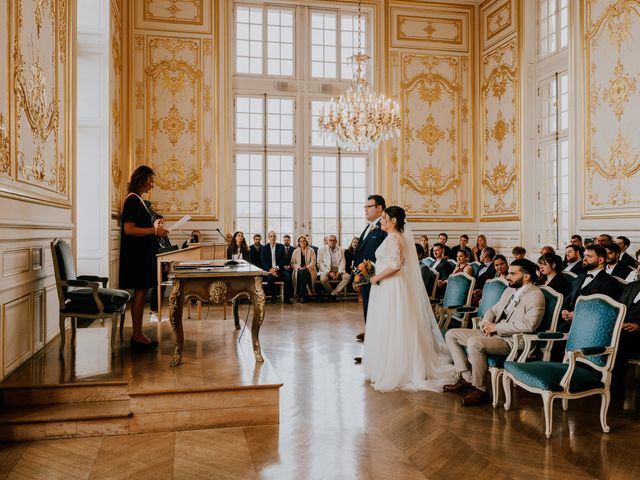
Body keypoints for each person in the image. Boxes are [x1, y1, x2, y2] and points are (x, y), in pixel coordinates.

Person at [363, 206, 455, 392]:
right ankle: (385, 363)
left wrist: (375, 277)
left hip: (391, 285)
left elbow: (396, 265)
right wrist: (372, 267)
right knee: (388, 323)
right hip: (387, 285)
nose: (381, 221)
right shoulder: (392, 238)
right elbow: (387, 262)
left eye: (384, 218)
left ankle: (398, 369)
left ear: (393, 220)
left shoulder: (395, 238)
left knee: (394, 323)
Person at [444, 259, 545, 406]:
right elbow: (493, 310)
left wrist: (496, 328)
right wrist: (486, 323)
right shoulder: (510, 290)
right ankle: (468, 379)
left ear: (526, 277)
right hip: (493, 333)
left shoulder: (535, 295)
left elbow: (529, 325)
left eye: (512, 274)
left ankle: (481, 390)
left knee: (474, 343)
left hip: (512, 341)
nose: (507, 276)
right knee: (451, 334)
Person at [119, 165, 167, 349]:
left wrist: (155, 225)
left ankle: (138, 334)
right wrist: (155, 231)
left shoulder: (138, 200)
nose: (153, 185)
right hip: (136, 257)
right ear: (143, 179)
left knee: (141, 293)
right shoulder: (132, 200)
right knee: (139, 294)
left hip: (140, 255)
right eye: (151, 181)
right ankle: (137, 336)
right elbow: (129, 229)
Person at [353, 195, 388, 352]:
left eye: (369, 206)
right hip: (365, 275)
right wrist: (357, 274)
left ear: (379, 208)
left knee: (375, 306)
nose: (365, 209)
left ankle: (377, 334)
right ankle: (370, 331)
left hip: (377, 276)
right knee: (367, 304)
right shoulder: (369, 227)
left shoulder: (384, 228)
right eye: (365, 206)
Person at [560, 244, 623, 329]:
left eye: (589, 256)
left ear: (600, 260)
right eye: (584, 256)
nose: (584, 259)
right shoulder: (579, 277)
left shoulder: (609, 282)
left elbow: (605, 308)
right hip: (571, 323)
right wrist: (565, 310)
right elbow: (570, 297)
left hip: (593, 326)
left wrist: (577, 315)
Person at [611, 281, 640, 395]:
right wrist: (617, 323)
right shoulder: (631, 286)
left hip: (637, 333)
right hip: (622, 327)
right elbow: (618, 307)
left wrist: (639, 327)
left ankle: (615, 387)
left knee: (621, 338)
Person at [260, 231, 293, 304]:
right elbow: (263, 261)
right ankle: (273, 296)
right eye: (271, 236)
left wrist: (276, 268)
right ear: (268, 238)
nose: (273, 238)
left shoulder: (281, 247)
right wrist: (270, 270)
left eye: (274, 236)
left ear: (276, 237)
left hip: (279, 269)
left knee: (288, 277)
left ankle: (287, 298)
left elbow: (283, 259)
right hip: (269, 270)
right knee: (270, 278)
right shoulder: (264, 248)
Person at [317, 235, 351, 300]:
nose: (332, 242)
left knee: (347, 277)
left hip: (338, 270)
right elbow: (320, 263)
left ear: (336, 241)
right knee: (323, 279)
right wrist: (329, 272)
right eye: (330, 240)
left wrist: (339, 272)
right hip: (326, 270)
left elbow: (342, 261)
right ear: (327, 241)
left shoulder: (341, 249)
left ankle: (334, 293)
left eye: (334, 240)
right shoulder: (321, 249)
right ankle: (332, 294)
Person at [291, 235, 317, 303]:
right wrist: (299, 267)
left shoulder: (311, 250)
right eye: (301, 241)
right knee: (301, 273)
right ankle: (306, 293)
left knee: (303, 272)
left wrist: (306, 267)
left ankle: (301, 295)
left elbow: (313, 261)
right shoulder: (295, 251)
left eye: (304, 241)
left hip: (309, 270)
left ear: (306, 242)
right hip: (298, 270)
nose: (302, 242)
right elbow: (292, 263)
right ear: (299, 242)